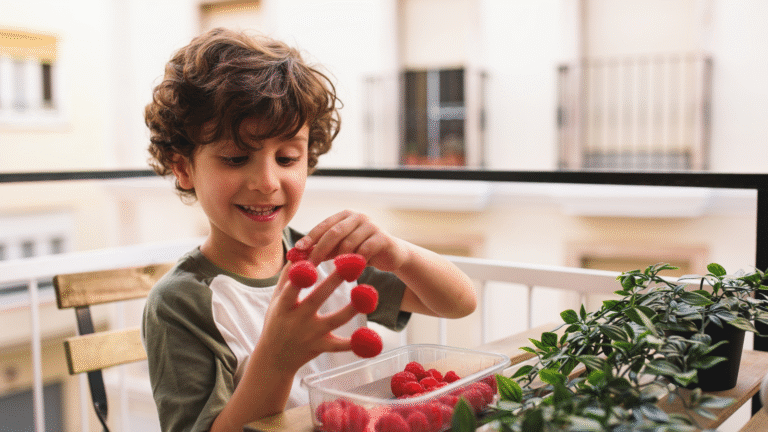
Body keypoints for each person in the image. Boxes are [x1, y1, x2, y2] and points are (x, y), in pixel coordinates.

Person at [142, 27, 477, 432]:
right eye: (234, 158)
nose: (267, 181)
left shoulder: (330, 261)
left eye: (286, 158)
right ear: (183, 168)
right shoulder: (182, 303)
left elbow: (459, 303)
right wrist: (277, 361)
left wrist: (400, 255)